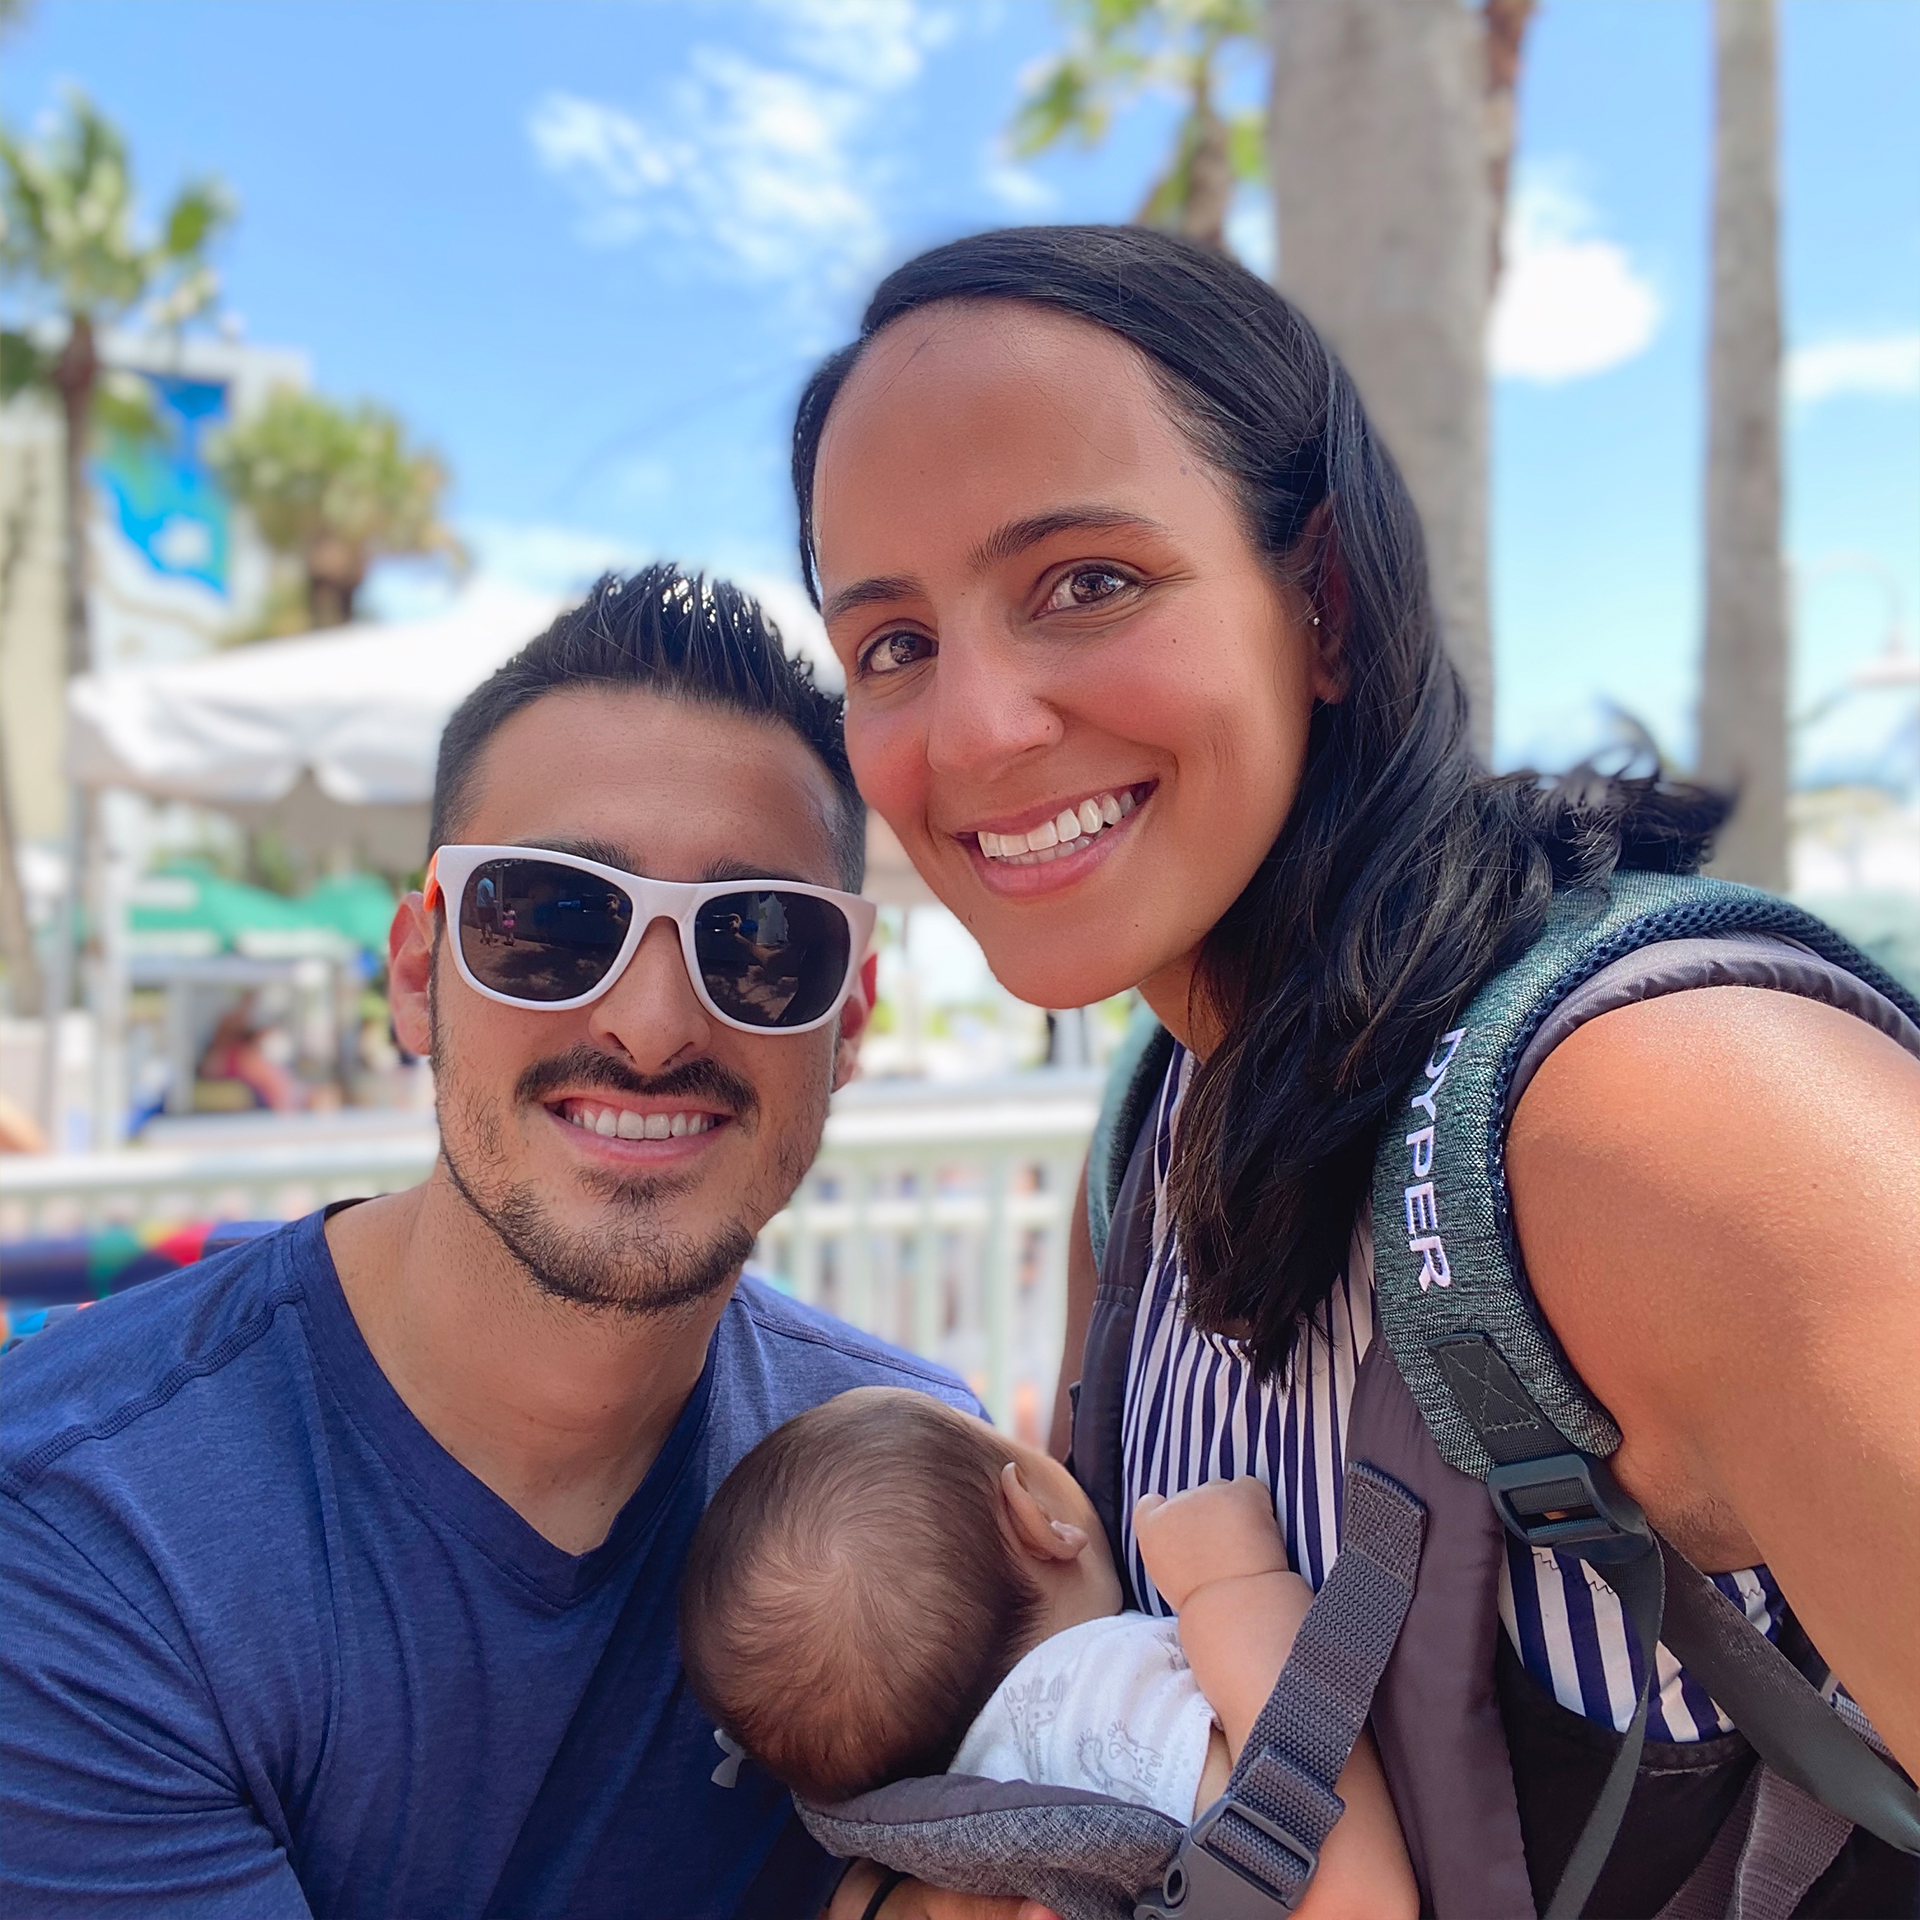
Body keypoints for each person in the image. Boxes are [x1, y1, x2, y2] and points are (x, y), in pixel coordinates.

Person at [795, 227, 1920, 1919]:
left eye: (1086, 582)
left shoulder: (1656, 1117)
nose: (972, 732)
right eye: (890, 644)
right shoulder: (1152, 1144)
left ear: (1319, 599)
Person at [0, 564, 979, 1920]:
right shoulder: (80, 1529)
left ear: (850, 1022)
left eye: (758, 942)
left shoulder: (915, 1489)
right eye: (553, 919)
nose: (650, 1027)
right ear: (418, 975)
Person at [681, 1386, 1417, 1917]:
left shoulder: (944, 1830)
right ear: (1037, 1520)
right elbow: (1353, 1899)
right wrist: (1235, 1586)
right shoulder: (1099, 1701)